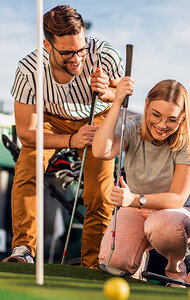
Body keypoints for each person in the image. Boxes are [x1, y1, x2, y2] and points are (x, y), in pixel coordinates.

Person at [3, 5, 124, 268]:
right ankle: (23, 248)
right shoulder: (29, 70)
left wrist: (107, 93)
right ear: (47, 45)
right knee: (27, 166)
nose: (77, 59)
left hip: (98, 119)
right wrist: (71, 140)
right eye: (67, 53)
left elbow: (122, 97)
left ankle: (94, 262)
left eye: (80, 50)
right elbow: (26, 133)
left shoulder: (106, 54)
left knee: (100, 193)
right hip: (50, 120)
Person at [93, 77, 190, 281]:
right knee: (114, 263)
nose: (162, 125)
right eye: (156, 115)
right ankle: (136, 266)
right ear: (146, 105)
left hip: (178, 214)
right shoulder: (132, 126)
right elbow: (101, 150)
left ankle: (175, 272)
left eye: (172, 119)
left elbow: (177, 198)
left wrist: (134, 199)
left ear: (182, 117)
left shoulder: (189, 140)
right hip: (136, 210)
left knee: (163, 225)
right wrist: (117, 102)